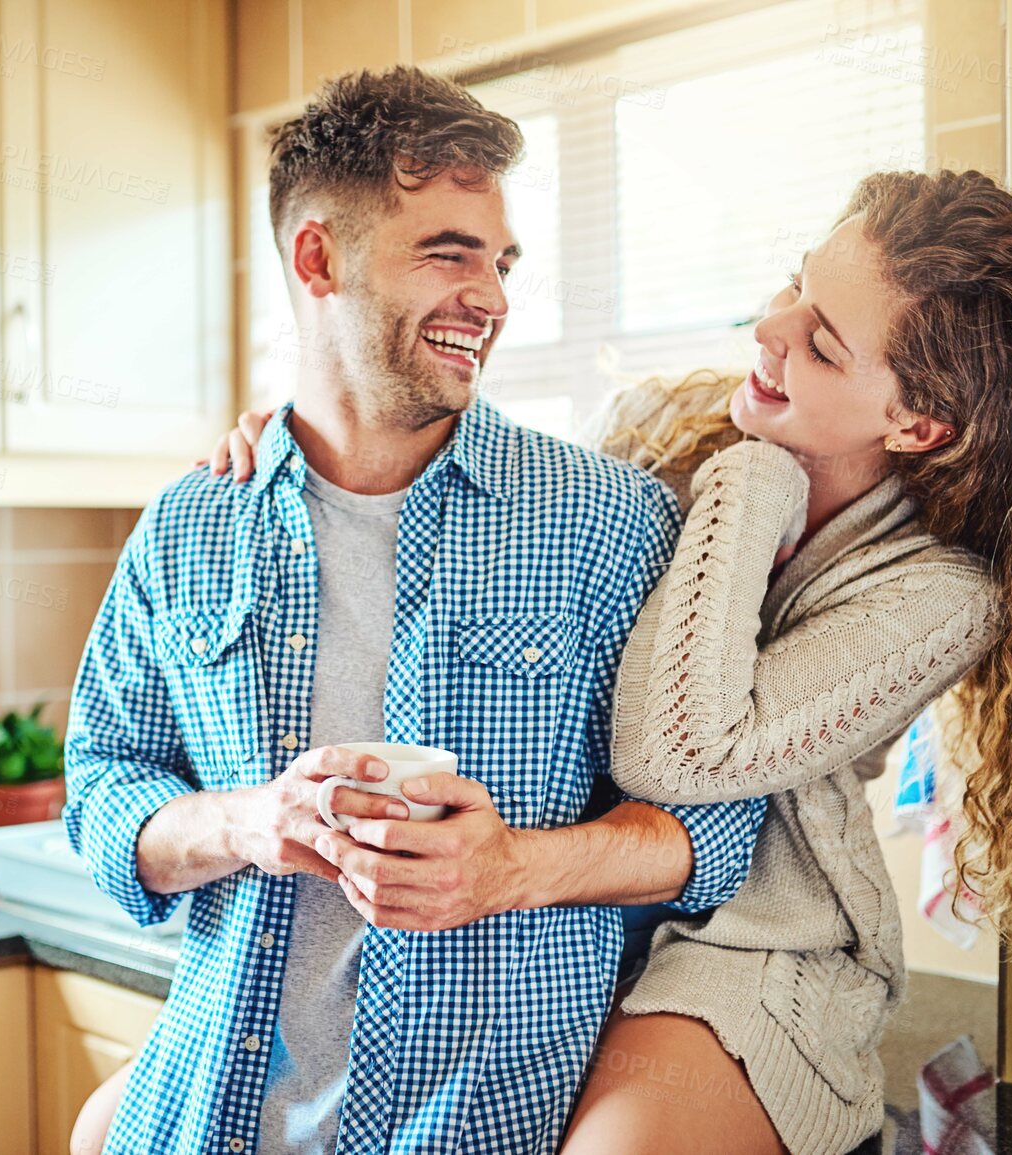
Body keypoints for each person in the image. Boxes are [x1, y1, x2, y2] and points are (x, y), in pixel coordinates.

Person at [200, 169, 1012, 1155]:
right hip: (567, 897)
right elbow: (494, 532)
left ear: (916, 425)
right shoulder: (653, 427)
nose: (770, 329)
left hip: (748, 941)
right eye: (796, 286)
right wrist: (325, 445)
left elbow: (677, 754)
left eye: (822, 343)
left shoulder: (938, 597)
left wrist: (754, 477)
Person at [62, 67, 767, 1155]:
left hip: (479, 1124)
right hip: (209, 1117)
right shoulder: (188, 525)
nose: (491, 297)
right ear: (317, 259)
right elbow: (105, 791)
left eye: (500, 262)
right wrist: (247, 823)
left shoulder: (608, 522)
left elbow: (717, 832)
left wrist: (511, 868)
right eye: (448, 253)